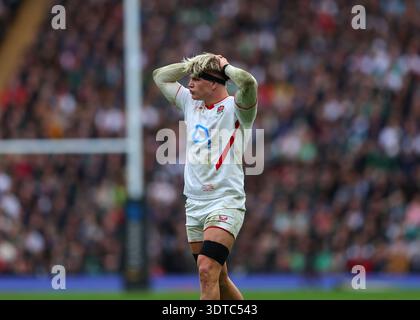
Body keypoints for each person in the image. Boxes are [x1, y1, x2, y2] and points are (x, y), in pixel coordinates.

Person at [153, 53, 258, 300]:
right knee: (217, 277)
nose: (189, 84)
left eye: (196, 78)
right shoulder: (192, 103)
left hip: (224, 200)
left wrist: (225, 66)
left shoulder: (237, 107)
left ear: (213, 83)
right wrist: (194, 63)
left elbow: (249, 82)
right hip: (194, 203)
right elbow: (160, 77)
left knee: (206, 270)